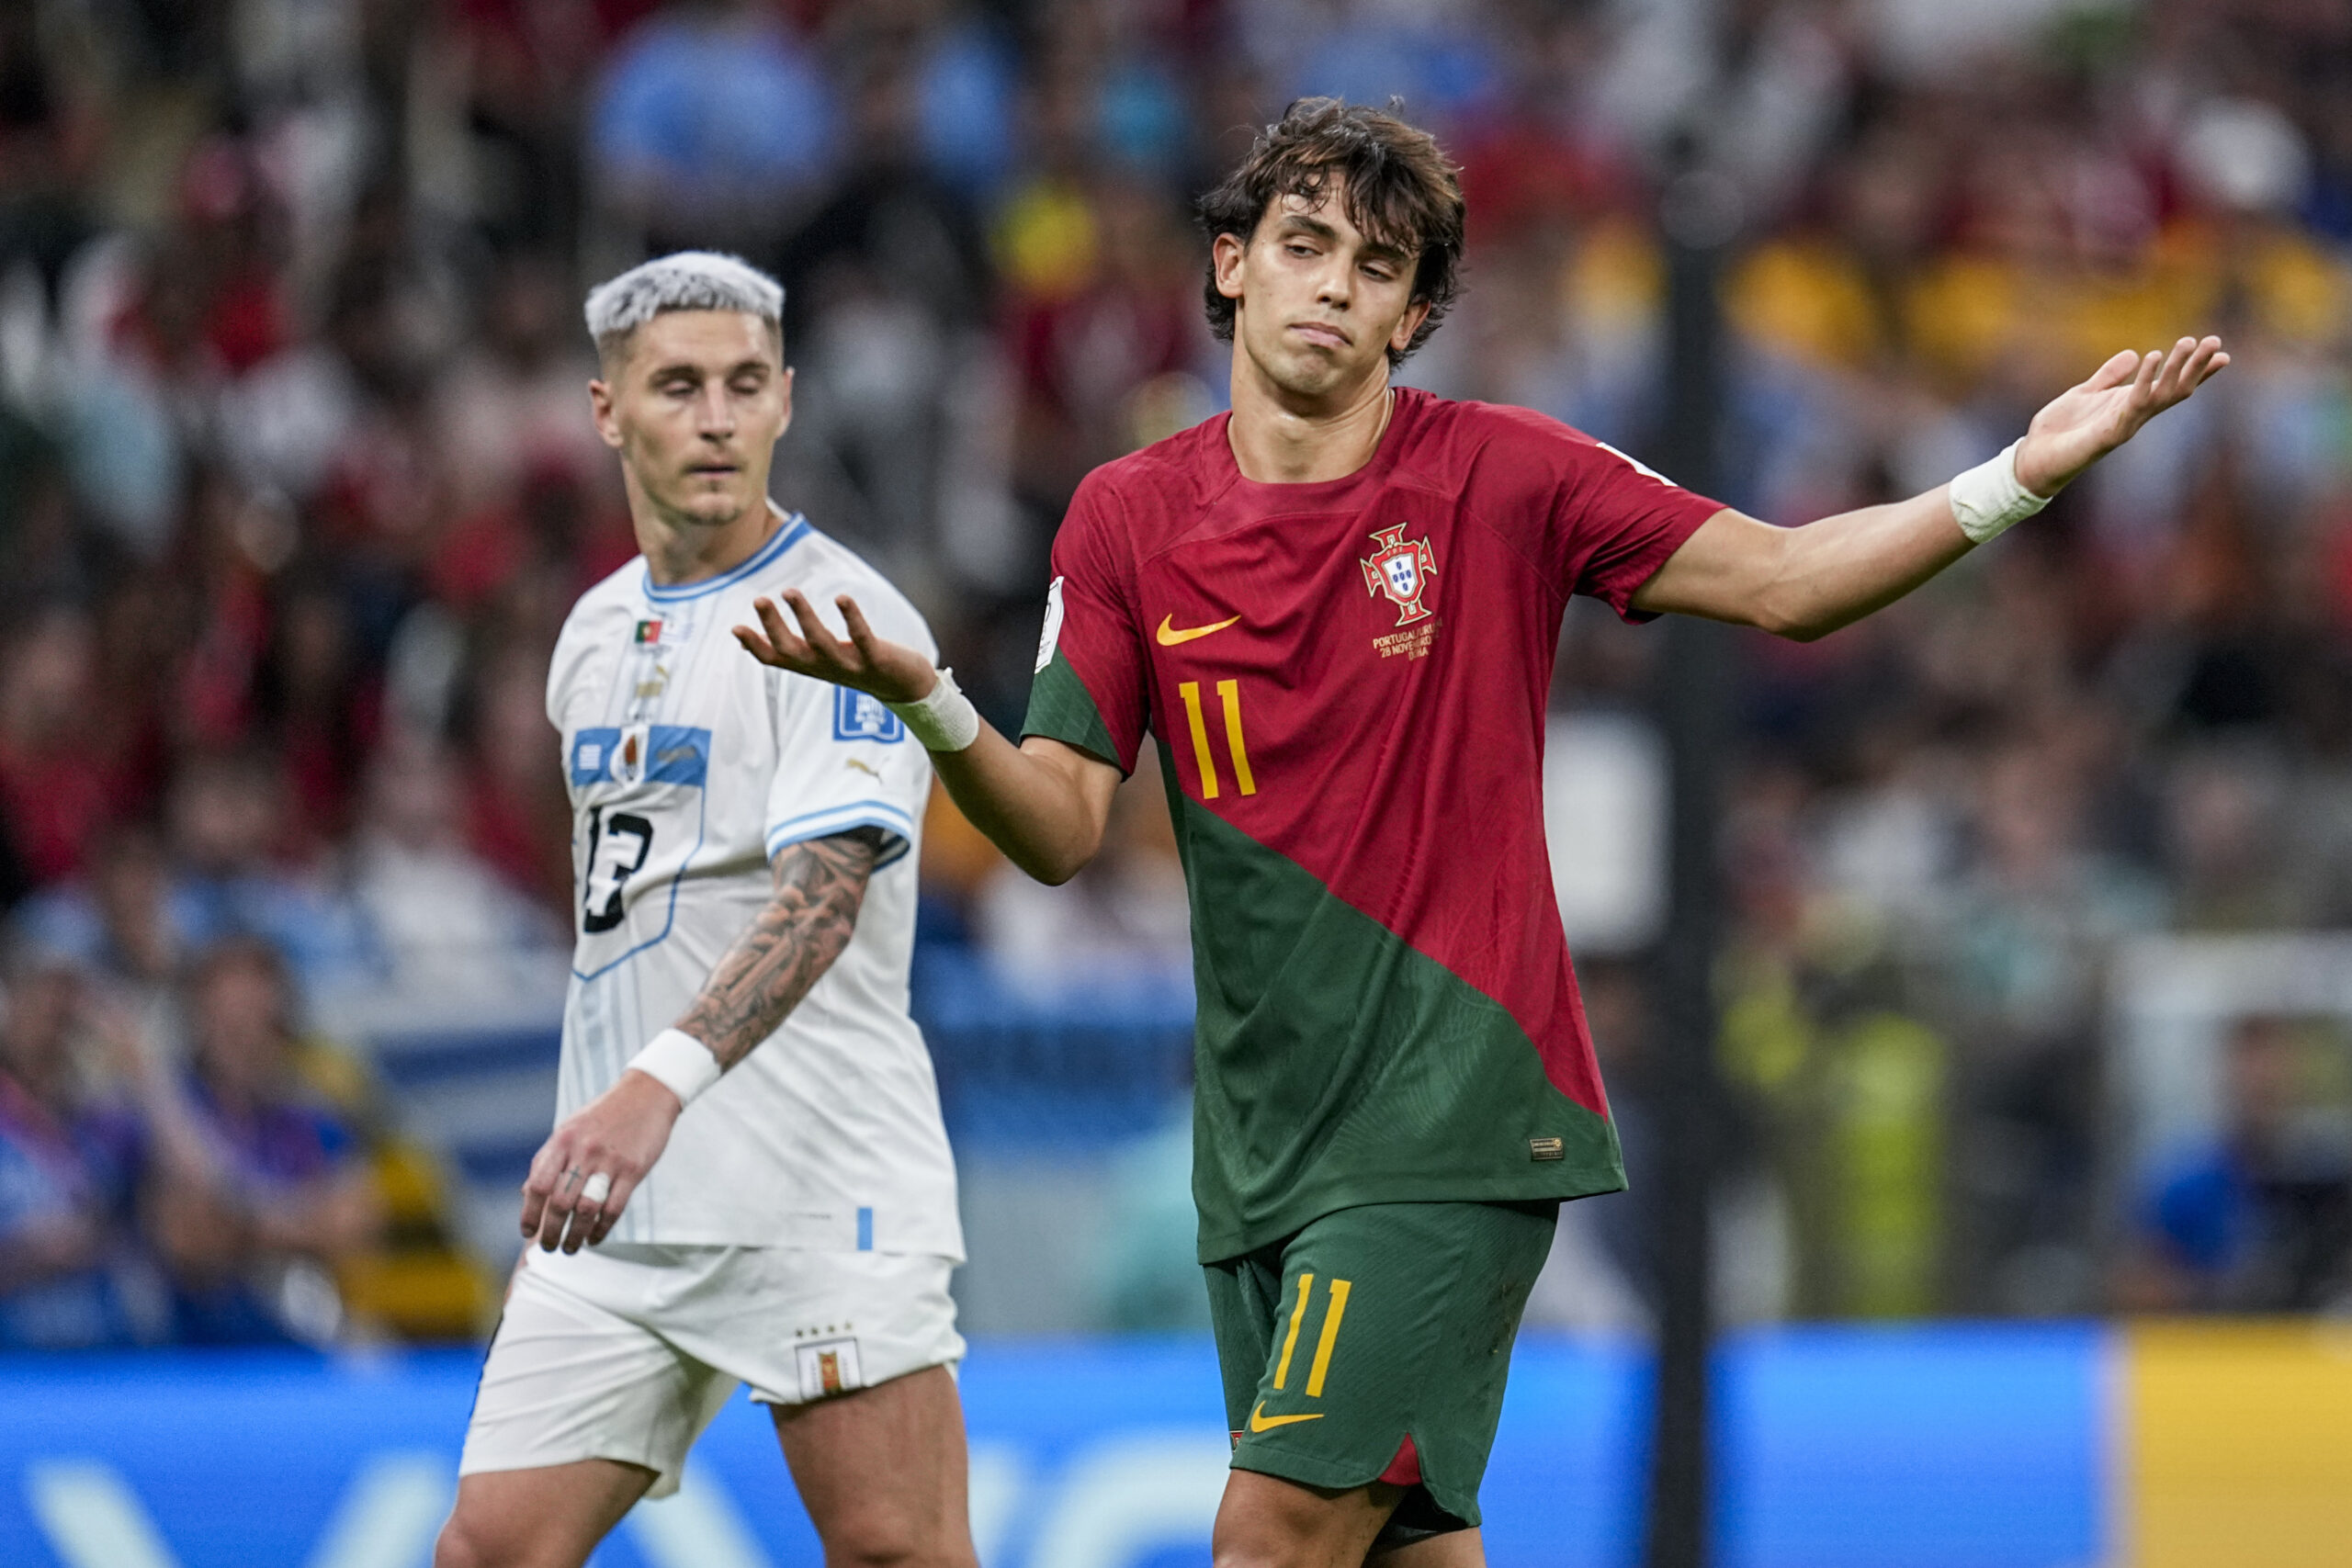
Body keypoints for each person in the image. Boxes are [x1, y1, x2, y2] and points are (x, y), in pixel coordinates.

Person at [737, 99, 2230, 1565]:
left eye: (1377, 266)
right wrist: (933, 701)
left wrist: (2018, 476)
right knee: (1405, 1549)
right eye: (1306, 244)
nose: (1335, 284)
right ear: (1233, 263)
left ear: (1413, 317)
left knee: (1271, 1540)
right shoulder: (1126, 517)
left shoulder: (1503, 477)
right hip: (1260, 1144)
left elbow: (1785, 581)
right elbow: (1061, 825)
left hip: (1451, 1115)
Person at [435, 254, 973, 1568]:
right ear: (608, 410)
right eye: (679, 387)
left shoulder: (840, 618)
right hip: (620, 1205)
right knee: (488, 1553)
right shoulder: (591, 633)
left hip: (814, 1186)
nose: (719, 418)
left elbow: (824, 899)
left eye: (745, 385)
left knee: (897, 1553)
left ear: (786, 399)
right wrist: (608, 1102)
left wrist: (651, 1087)